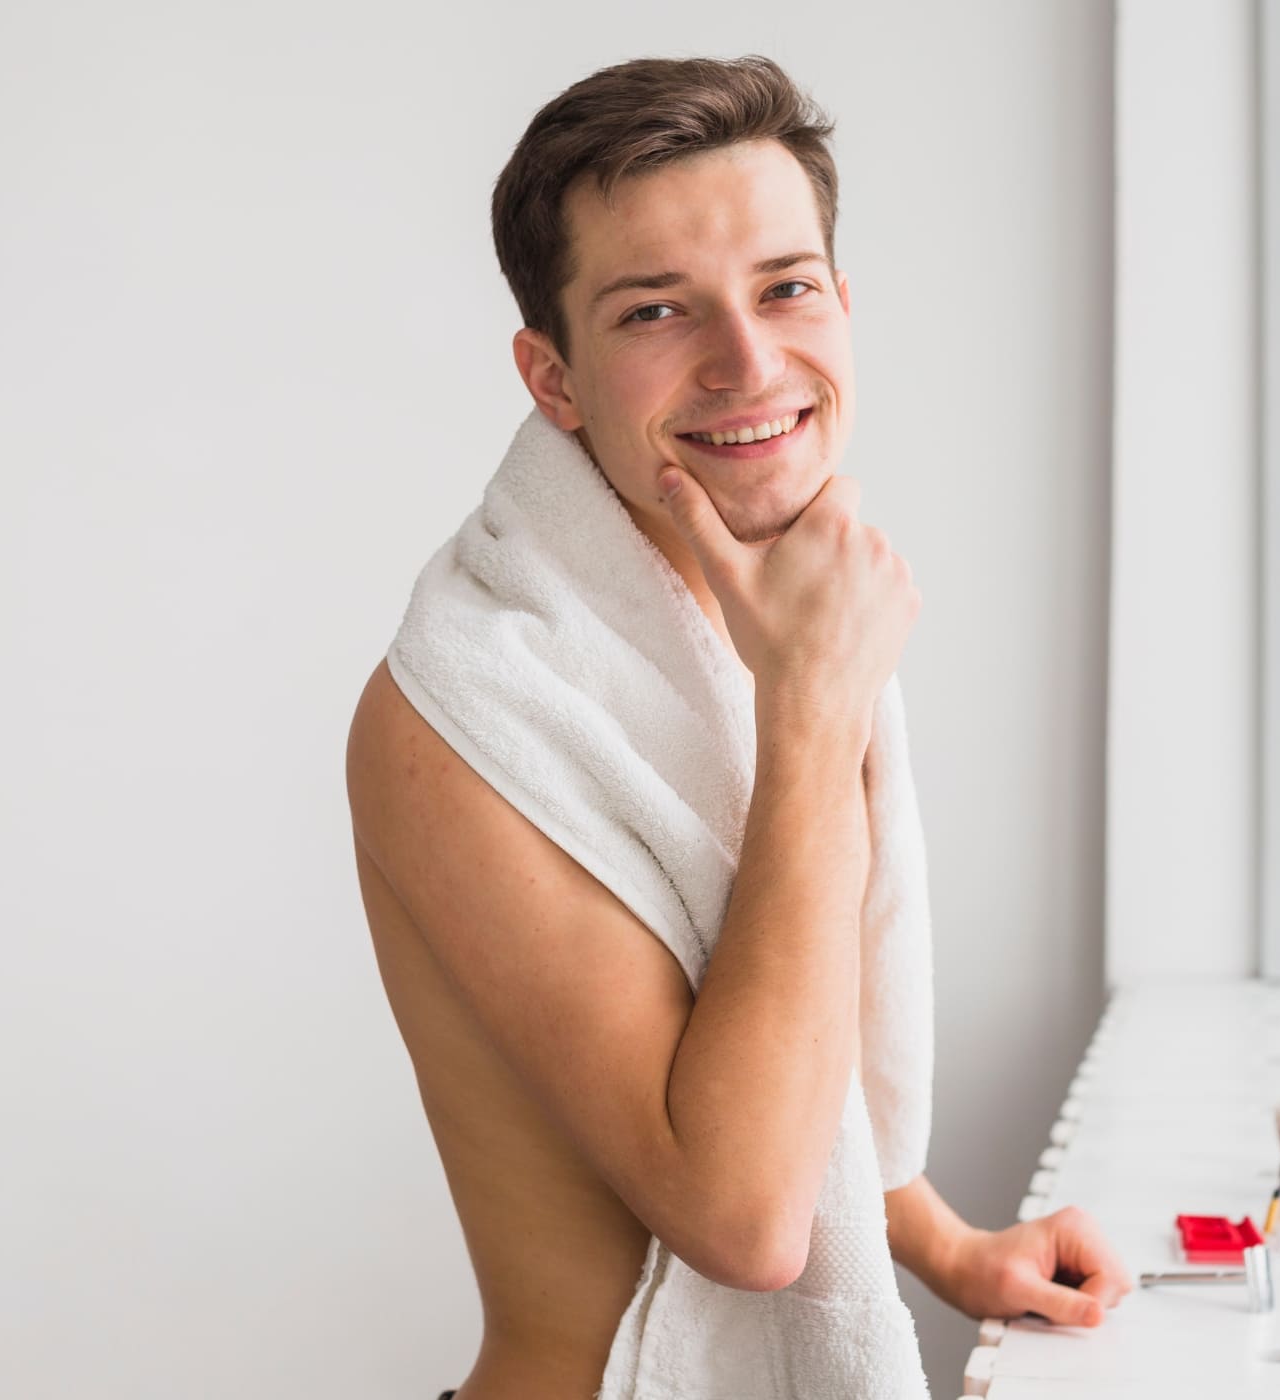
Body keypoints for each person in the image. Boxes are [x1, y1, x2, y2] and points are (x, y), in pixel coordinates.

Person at [343, 54, 1131, 1400]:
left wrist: (942, 1244)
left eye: (787, 286)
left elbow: (792, 1049)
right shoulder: (460, 706)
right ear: (556, 379)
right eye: (657, 310)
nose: (751, 362)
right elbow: (747, 1218)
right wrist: (813, 711)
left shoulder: (771, 603)